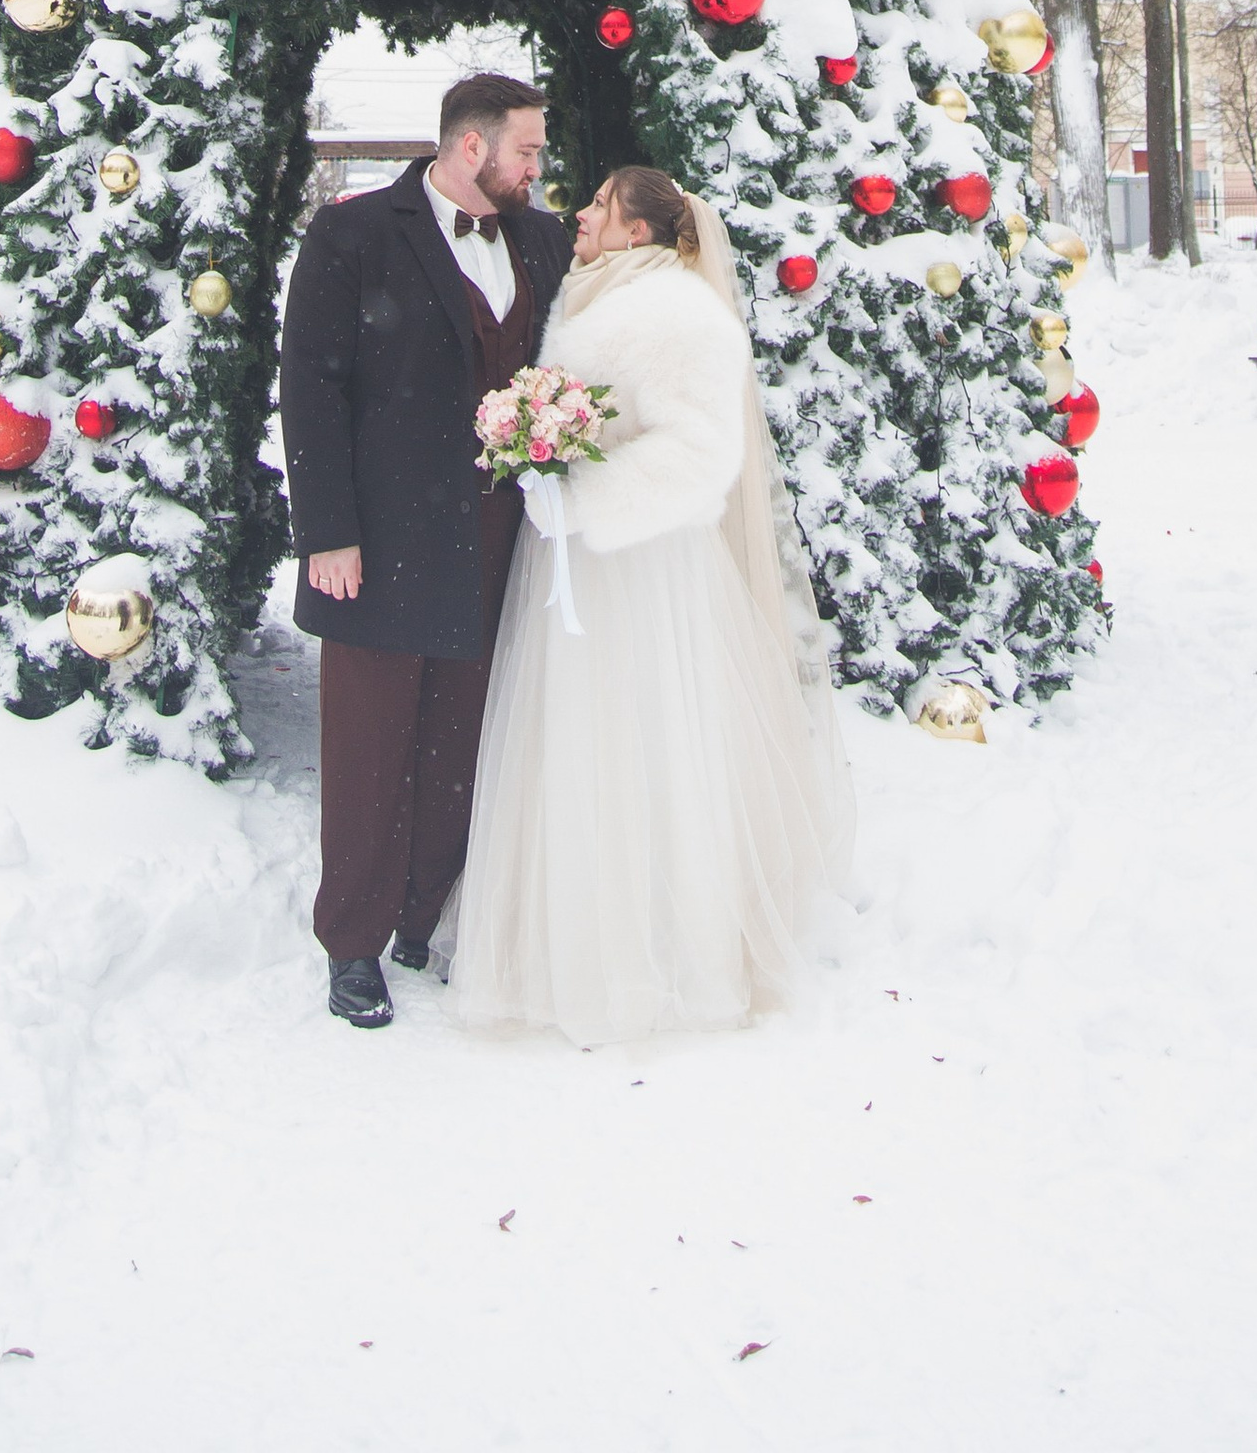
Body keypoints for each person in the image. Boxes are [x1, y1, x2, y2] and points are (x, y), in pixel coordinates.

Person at [452, 160, 855, 1046]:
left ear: (639, 231)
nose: (581, 214)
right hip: (580, 566)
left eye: (599, 204)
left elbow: (700, 451)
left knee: (651, 741)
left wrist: (583, 498)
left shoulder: (675, 311)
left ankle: (666, 949)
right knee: (580, 742)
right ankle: (574, 937)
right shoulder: (590, 295)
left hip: (645, 568)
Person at [278, 70, 571, 1029]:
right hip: (377, 539)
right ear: (470, 146)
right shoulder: (353, 235)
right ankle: (352, 942)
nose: (538, 166)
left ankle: (426, 916)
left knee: (463, 737)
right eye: (526, 148)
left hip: (497, 537)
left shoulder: (542, 239)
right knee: (370, 744)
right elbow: (310, 388)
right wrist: (328, 532)